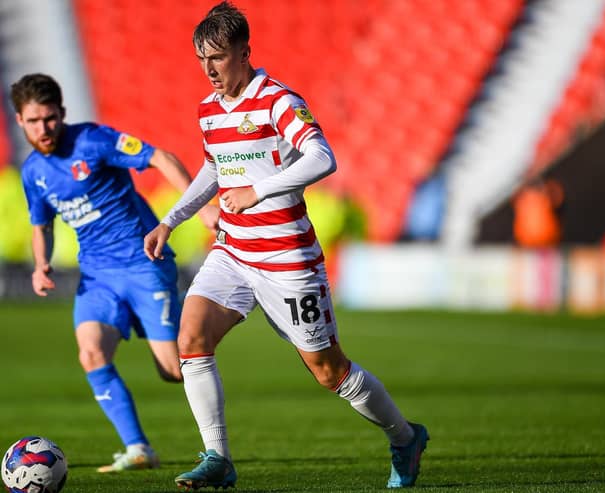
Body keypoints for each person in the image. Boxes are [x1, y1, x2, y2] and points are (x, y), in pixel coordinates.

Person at [144, 1, 429, 489]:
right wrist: (170, 220)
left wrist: (260, 189)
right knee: (191, 339)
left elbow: (323, 157)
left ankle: (404, 438)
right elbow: (215, 166)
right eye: (201, 59)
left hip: (287, 258)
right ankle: (218, 458)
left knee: (329, 372)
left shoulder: (277, 100)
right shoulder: (209, 109)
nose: (209, 69)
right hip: (233, 251)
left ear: (244, 51)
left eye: (218, 57)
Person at [10, 73, 218, 473]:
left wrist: (201, 206)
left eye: (50, 118)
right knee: (91, 352)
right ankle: (139, 448)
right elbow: (42, 224)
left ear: (62, 113)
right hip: (97, 277)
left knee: (175, 370)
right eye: (34, 121)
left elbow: (161, 157)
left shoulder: (92, 140)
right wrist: (41, 265)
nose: (44, 128)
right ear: (19, 120)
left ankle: (204, 331)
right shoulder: (33, 171)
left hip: (144, 263)